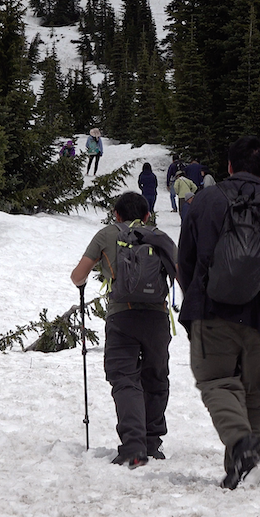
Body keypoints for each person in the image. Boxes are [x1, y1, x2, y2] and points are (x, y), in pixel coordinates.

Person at [178, 136, 260, 490]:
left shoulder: (204, 200)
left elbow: (186, 259)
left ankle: (240, 445)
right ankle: (243, 466)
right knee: (255, 392)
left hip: (211, 312)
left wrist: (194, 300)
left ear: (228, 166)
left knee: (216, 381)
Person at [70, 192, 178, 469]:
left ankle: (133, 448)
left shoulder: (106, 234)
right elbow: (182, 273)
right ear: (147, 216)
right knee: (155, 378)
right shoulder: (159, 237)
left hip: (122, 316)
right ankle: (153, 444)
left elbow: (77, 275)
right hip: (156, 318)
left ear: (116, 215)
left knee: (125, 379)